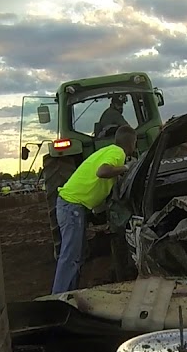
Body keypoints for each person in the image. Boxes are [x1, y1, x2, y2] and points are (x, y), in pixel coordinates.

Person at [52, 126, 137, 294]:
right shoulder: (118, 153)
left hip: (72, 206)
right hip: (72, 207)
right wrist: (128, 168)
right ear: (131, 142)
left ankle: (69, 293)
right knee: (70, 257)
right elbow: (102, 171)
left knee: (77, 255)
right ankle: (58, 298)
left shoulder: (108, 151)